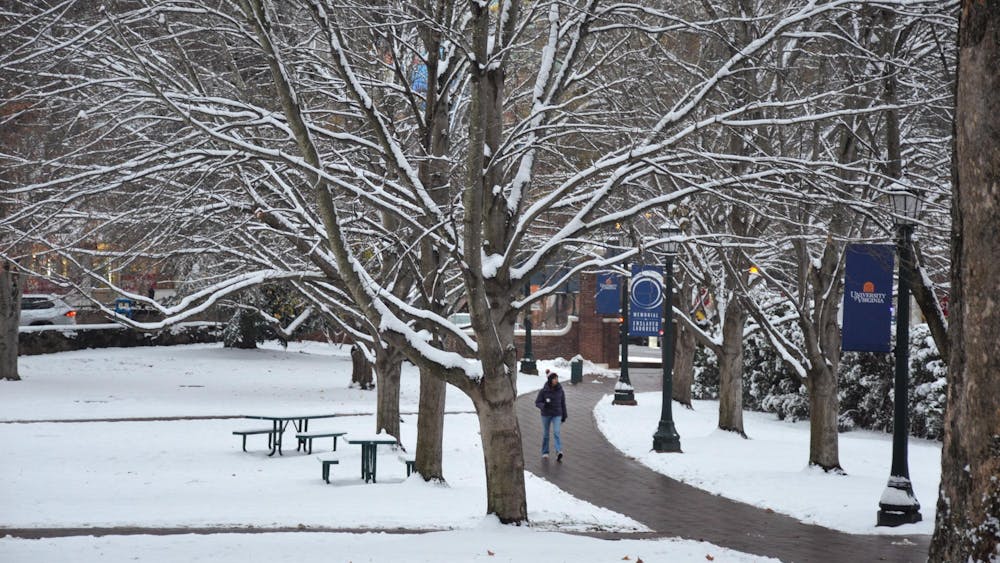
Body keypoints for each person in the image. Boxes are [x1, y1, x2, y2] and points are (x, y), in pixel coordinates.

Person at [535, 369, 567, 461]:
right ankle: (545, 452)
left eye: (557, 378)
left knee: (556, 432)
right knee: (546, 434)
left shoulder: (560, 390)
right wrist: (543, 405)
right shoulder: (543, 391)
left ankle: (559, 451)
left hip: (557, 414)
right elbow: (537, 402)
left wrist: (564, 415)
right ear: (550, 380)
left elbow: (563, 403)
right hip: (546, 414)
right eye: (554, 379)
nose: (556, 380)